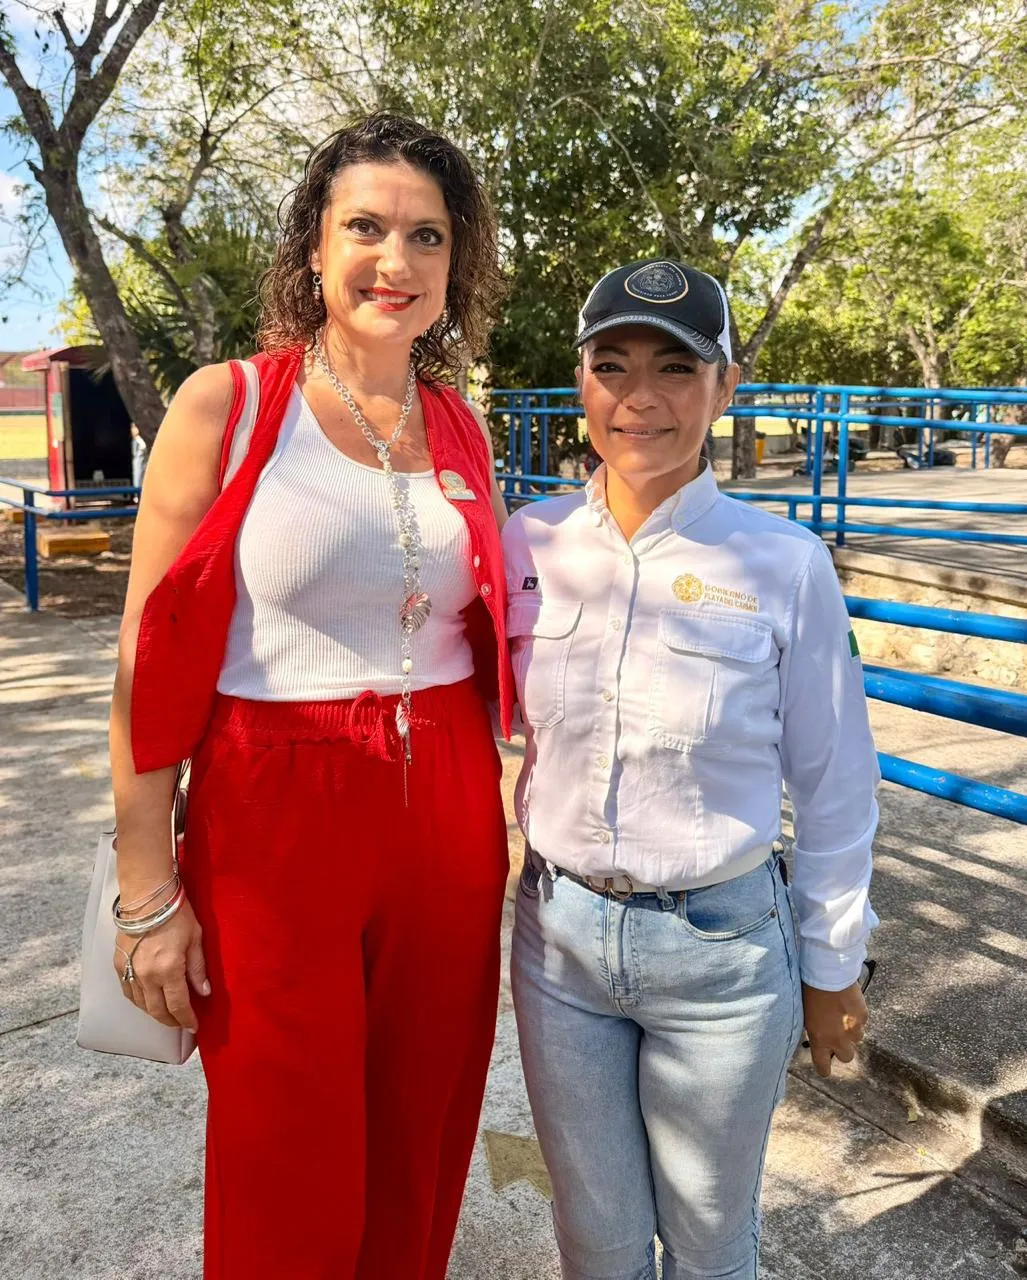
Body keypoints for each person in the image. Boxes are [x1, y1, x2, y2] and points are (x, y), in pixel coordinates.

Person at [107, 113, 514, 1279]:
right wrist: (147, 886)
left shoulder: (460, 425)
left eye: (427, 236)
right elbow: (146, 650)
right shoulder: (228, 404)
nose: (396, 260)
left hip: (446, 802)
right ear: (314, 246)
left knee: (421, 1129)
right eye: (366, 227)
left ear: (457, 262)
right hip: (273, 807)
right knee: (283, 1145)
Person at [502, 259, 879, 1280]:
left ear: (725, 387)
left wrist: (833, 966)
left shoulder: (783, 563)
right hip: (559, 942)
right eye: (611, 364)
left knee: (711, 1242)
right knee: (595, 1238)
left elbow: (836, 784)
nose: (640, 396)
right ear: (580, 384)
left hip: (722, 954)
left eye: (676, 367)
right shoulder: (527, 542)